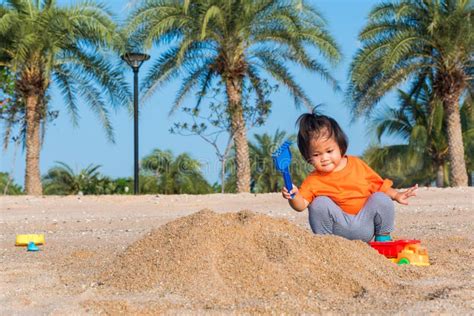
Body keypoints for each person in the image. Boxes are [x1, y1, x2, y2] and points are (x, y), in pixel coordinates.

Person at [281, 112, 418, 242]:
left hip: (364, 224)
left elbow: (379, 186)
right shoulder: (314, 179)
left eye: (329, 151)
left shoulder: (356, 164)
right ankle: (324, 245)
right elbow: (301, 205)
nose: (324, 158)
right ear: (308, 158)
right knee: (319, 203)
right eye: (316, 155)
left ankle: (383, 240)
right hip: (336, 230)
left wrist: (396, 195)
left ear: (340, 147)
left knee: (380, 198)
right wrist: (294, 195)